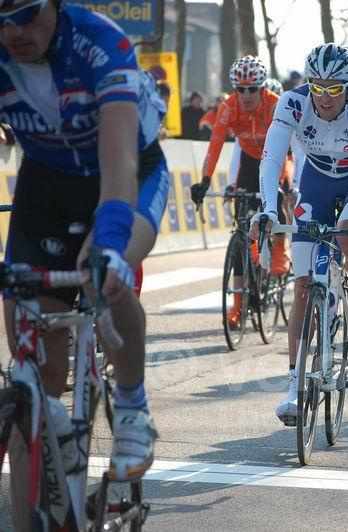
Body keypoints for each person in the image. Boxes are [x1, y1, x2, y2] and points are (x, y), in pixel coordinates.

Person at [0, 0, 169, 520]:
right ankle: (46, 443)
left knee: (104, 277)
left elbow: (117, 164)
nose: (12, 30)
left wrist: (111, 248)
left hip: (126, 172)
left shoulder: (102, 44)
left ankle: (134, 408)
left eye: (24, 13)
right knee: (32, 371)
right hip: (46, 185)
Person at [249, 43, 348, 425]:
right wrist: (266, 209)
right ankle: (295, 383)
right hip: (315, 182)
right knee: (302, 286)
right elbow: (271, 159)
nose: (324, 96)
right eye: (318, 86)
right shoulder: (293, 103)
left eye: (334, 88)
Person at [190, 56, 291, 329]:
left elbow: (289, 148)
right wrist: (205, 181)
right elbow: (215, 144)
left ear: (262, 88)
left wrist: (285, 182)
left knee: (275, 200)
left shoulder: (275, 104)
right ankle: (237, 305)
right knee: (241, 233)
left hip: (274, 159)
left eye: (252, 88)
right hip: (248, 161)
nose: (245, 95)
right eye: (240, 88)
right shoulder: (228, 107)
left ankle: (280, 246)